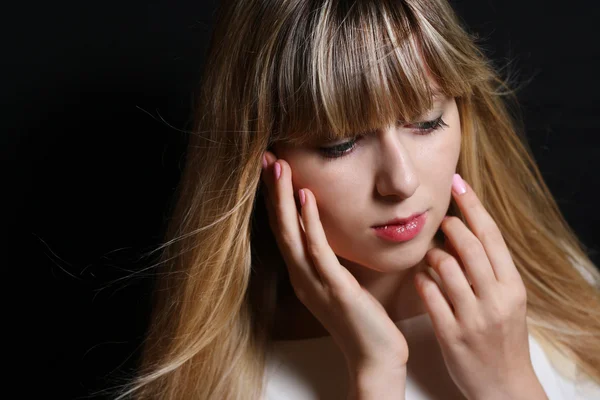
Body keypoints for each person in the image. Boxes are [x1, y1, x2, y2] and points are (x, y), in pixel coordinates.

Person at [115, 0, 600, 399]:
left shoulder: (563, 297)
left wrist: (508, 385)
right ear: (260, 158)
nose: (401, 181)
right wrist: (375, 372)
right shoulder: (220, 383)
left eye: (426, 122)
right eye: (339, 144)